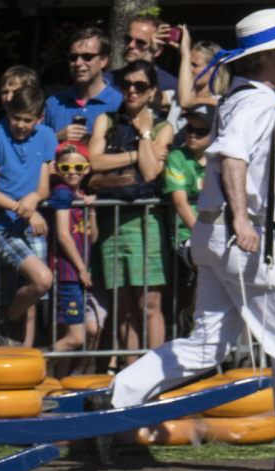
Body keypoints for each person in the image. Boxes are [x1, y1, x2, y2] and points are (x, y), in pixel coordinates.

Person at [108, 8, 275, 471]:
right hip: (246, 235)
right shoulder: (259, 102)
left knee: (206, 345)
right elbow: (233, 156)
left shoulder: (237, 95)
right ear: (269, 56)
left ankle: (119, 393)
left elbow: (240, 154)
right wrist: (243, 218)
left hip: (211, 231)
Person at [88, 59, 173, 356]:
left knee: (148, 305)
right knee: (123, 309)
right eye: (126, 85)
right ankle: (130, 374)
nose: (132, 91)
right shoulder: (105, 120)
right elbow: (93, 162)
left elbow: (150, 175)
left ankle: (157, 376)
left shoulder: (163, 126)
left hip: (145, 221)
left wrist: (146, 132)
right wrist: (138, 153)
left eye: (140, 86)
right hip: (111, 221)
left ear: (153, 90)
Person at [0, 86, 56, 346]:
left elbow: (44, 187)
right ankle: (8, 325)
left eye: (28, 120)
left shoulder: (46, 136)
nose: (21, 125)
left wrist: (34, 200)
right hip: (1, 226)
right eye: (16, 118)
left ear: (39, 118)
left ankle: (25, 357)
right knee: (35, 282)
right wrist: (23, 209)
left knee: (33, 296)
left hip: (30, 225)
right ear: (8, 111)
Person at [48, 142, 102, 361]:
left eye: (78, 168)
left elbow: (93, 237)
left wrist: (91, 212)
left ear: (87, 169)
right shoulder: (62, 194)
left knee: (69, 335)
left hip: (77, 275)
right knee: (75, 338)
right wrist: (81, 269)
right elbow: (63, 235)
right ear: (58, 168)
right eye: (66, 168)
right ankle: (30, 363)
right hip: (68, 274)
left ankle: (57, 380)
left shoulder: (79, 195)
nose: (72, 173)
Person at [48, 27, 122, 146]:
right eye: (73, 57)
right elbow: (32, 148)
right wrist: (56, 137)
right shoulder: (53, 103)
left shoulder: (119, 103)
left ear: (103, 60)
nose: (78, 63)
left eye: (87, 57)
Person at [162, 103, 215, 247]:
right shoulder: (176, 158)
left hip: (216, 235)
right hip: (186, 237)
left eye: (202, 131)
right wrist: (202, 236)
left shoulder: (220, 159)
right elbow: (180, 203)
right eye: (190, 129)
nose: (193, 135)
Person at [124, 17, 182, 103]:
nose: (131, 45)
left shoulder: (172, 85)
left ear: (157, 51)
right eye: (128, 39)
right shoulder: (108, 80)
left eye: (140, 42)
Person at [179, 32, 233, 111]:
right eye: (187, 64)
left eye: (195, 65)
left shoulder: (219, 102)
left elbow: (186, 102)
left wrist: (185, 55)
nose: (188, 69)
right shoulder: (176, 95)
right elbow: (153, 97)